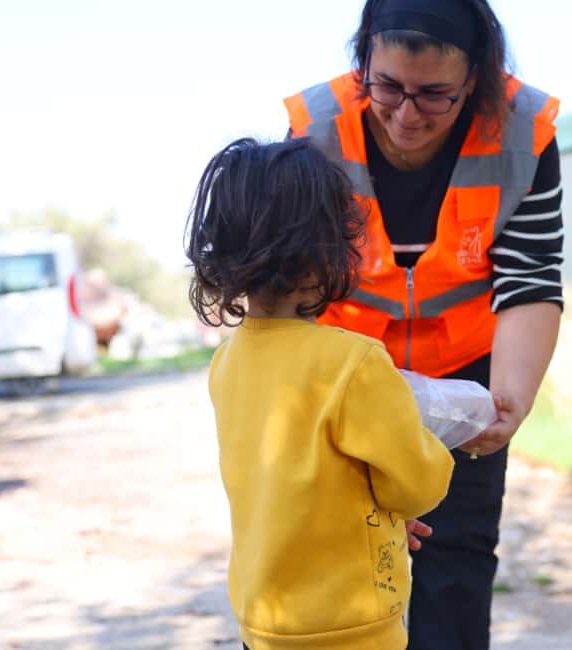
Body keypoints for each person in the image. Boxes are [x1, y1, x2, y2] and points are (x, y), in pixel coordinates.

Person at [283, 1, 564, 647]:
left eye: (435, 94)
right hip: (344, 373)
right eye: (388, 87)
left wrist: (508, 404)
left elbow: (530, 278)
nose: (408, 114)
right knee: (339, 551)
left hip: (467, 378)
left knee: (456, 554)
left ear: (476, 80)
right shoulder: (313, 132)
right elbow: (290, 286)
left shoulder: (524, 133)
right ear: (363, 68)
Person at [185, 137, 455, 650]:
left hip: (265, 620)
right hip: (350, 626)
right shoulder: (353, 364)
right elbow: (415, 486)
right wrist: (428, 448)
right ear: (329, 247)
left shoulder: (227, 363)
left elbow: (295, 480)